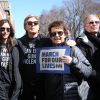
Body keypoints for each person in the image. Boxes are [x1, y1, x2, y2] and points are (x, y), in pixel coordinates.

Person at [37, 21, 92, 100]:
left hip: (70, 95)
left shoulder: (73, 49)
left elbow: (88, 71)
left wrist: (73, 61)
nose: (56, 36)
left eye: (60, 33)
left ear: (65, 33)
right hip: (52, 96)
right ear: (50, 36)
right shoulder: (45, 52)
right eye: (53, 34)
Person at [17, 15, 47, 100]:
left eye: (35, 23)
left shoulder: (46, 41)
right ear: (25, 26)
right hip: (26, 85)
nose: (32, 25)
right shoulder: (19, 42)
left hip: (43, 84)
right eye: (29, 23)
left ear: (38, 26)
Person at [76, 14, 100, 100]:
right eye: (91, 22)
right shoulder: (81, 42)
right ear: (85, 26)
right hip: (91, 85)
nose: (94, 24)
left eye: (96, 22)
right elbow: (84, 66)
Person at [0, 19, 22, 100]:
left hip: (14, 84)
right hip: (1, 85)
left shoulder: (16, 45)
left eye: (8, 29)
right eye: (2, 29)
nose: (5, 31)